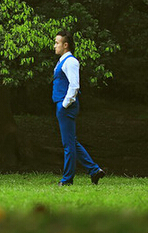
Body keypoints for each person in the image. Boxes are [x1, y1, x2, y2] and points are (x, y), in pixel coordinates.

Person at [52, 30, 105, 186]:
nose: (55, 45)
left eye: (57, 42)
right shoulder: (63, 61)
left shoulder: (70, 62)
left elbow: (74, 86)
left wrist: (64, 104)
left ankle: (67, 180)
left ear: (65, 45)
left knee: (68, 145)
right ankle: (94, 170)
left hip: (66, 106)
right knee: (72, 142)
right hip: (62, 105)